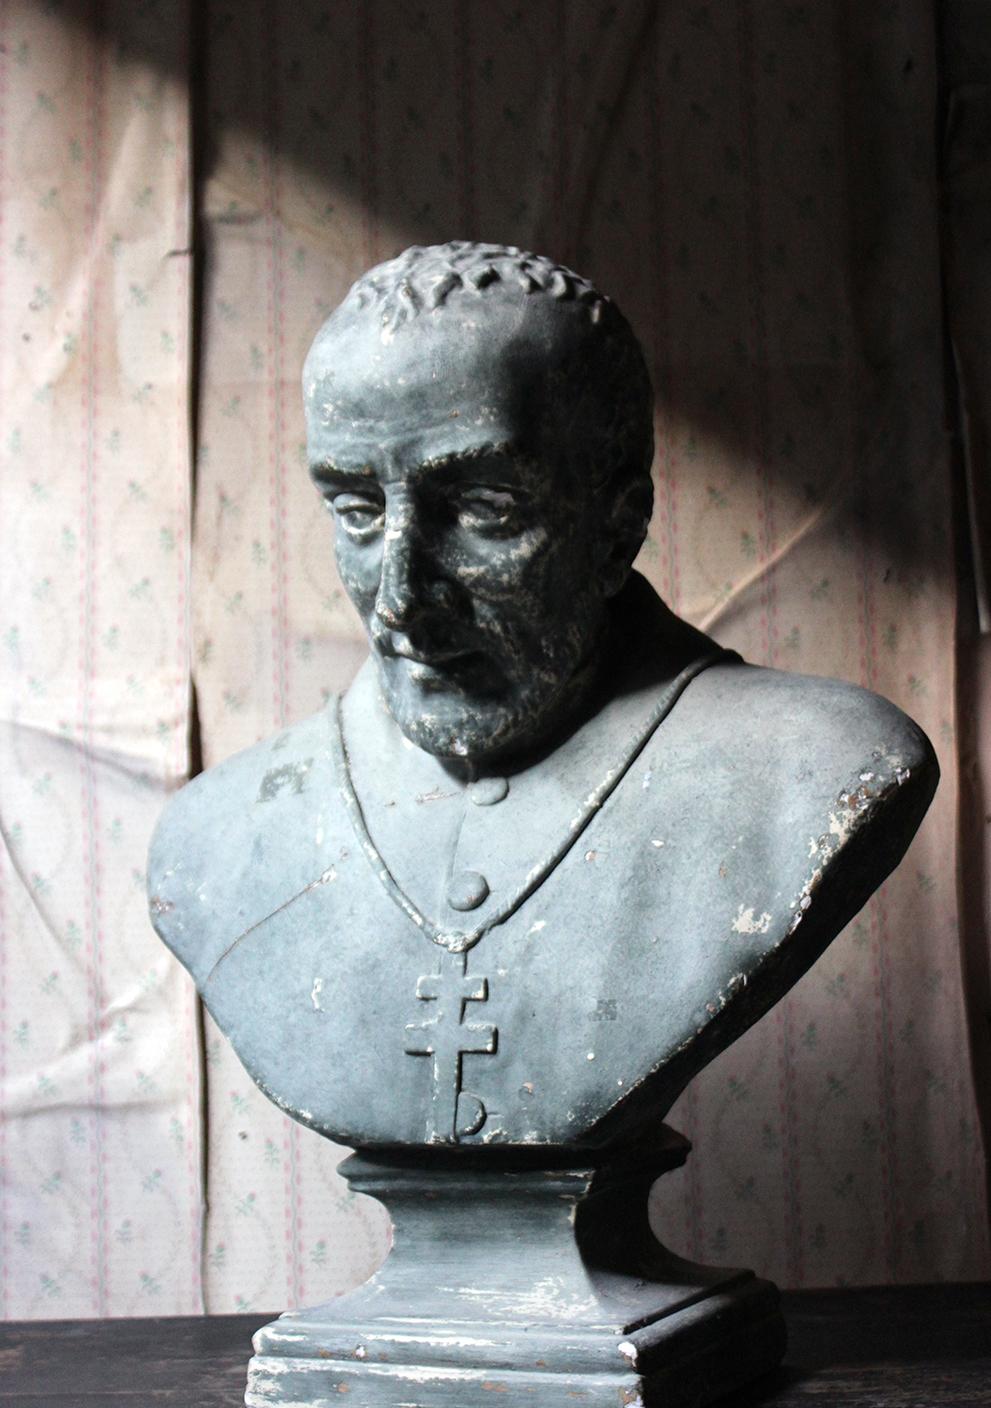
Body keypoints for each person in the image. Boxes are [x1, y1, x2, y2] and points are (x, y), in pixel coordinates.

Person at [148, 243, 937, 1154]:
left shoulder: (820, 771)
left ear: (617, 524)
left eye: (484, 507)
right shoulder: (209, 839)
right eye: (359, 511)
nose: (400, 596)